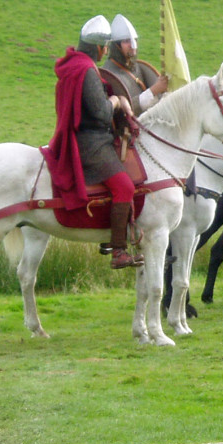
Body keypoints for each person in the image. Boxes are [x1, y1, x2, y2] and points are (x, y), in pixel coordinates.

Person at [42, 15, 142, 269]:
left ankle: (112, 235)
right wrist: (117, 102)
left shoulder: (76, 65)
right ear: (99, 47)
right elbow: (100, 112)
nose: (106, 51)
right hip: (92, 143)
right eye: (106, 47)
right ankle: (118, 251)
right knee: (124, 188)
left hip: (89, 138)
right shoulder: (86, 70)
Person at [100, 14, 168, 116]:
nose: (133, 45)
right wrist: (153, 91)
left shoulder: (137, 68)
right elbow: (123, 112)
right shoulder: (108, 74)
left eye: (134, 40)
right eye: (127, 41)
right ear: (116, 46)